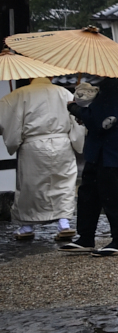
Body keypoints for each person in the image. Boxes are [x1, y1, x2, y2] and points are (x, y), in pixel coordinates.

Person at [62, 75, 118, 256]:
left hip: (111, 149)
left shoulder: (114, 85)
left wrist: (75, 109)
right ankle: (85, 236)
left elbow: (103, 120)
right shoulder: (110, 84)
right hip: (100, 148)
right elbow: (99, 116)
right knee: (89, 193)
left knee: (112, 194)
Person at [0, 76, 80, 242]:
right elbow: (77, 119)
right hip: (62, 143)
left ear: (29, 76)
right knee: (63, 183)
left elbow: (7, 118)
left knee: (30, 186)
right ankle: (64, 223)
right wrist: (76, 141)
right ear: (50, 76)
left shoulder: (20, 94)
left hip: (33, 145)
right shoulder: (64, 93)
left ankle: (26, 226)